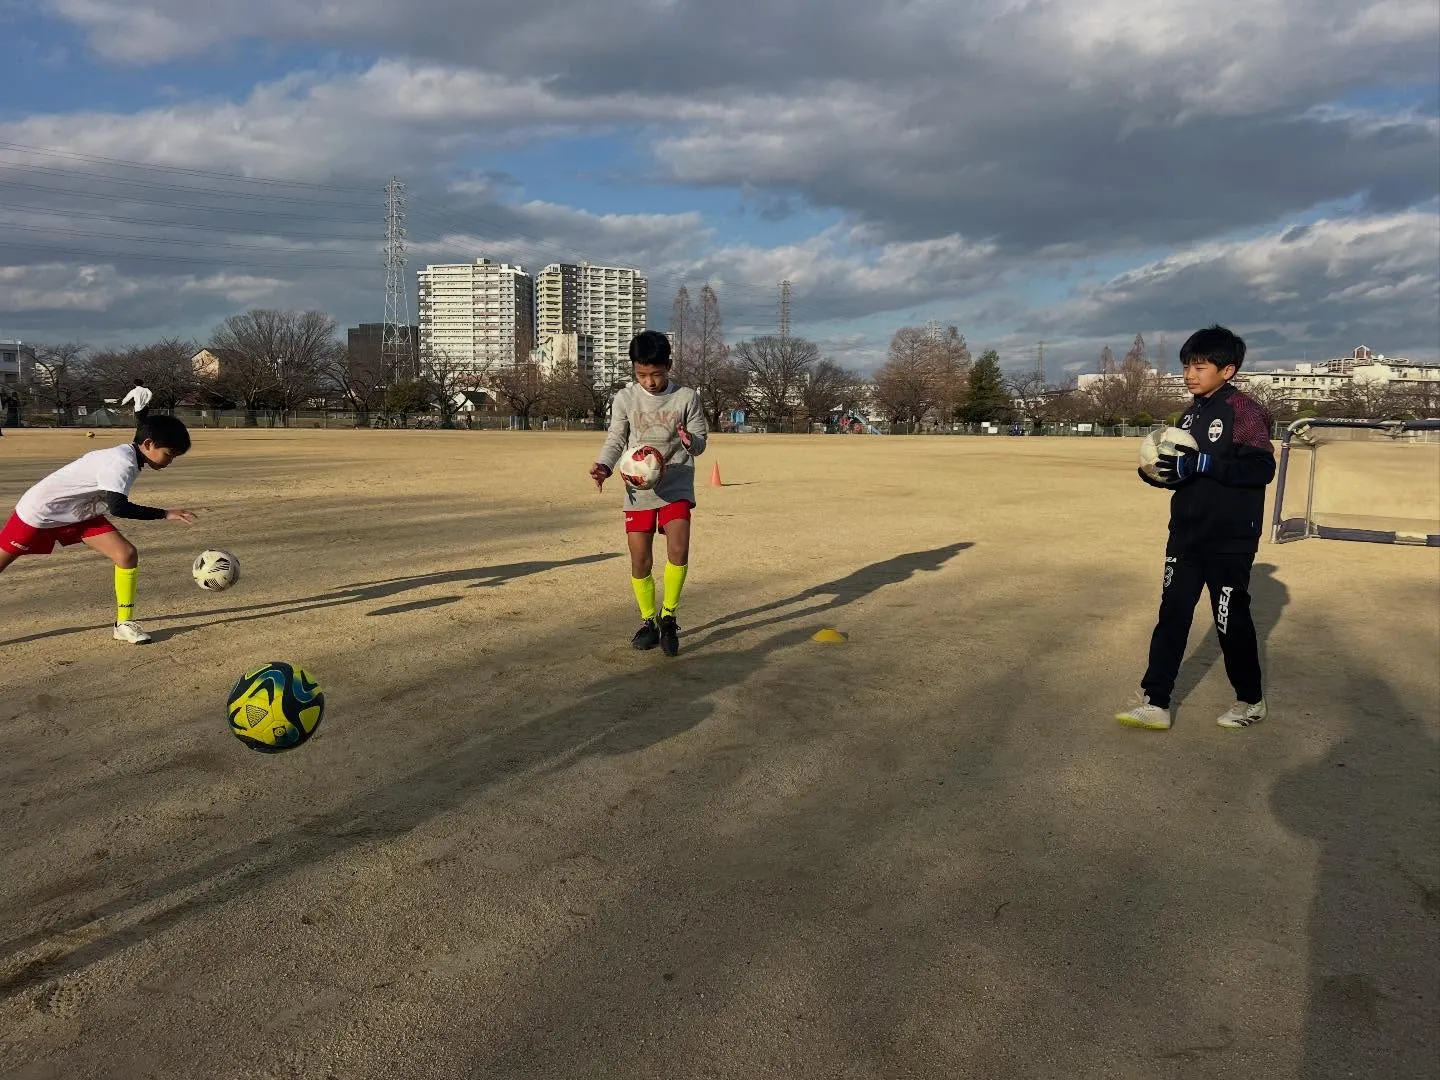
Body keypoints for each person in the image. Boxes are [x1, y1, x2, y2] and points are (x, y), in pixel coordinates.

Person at [1116, 325, 1276, 731]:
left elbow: (1262, 468)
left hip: (1229, 537)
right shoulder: (1190, 414)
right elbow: (1184, 471)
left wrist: (1205, 463)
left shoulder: (1245, 412)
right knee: (1172, 616)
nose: (1189, 374)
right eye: (1186, 365)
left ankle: (1249, 700)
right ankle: (1156, 701)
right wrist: (1158, 474)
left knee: (1229, 621)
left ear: (1228, 370)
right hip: (1186, 533)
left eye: (1199, 366)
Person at [0, 414, 197, 644]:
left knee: (126, 554)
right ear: (148, 444)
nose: (169, 461)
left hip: (79, 513)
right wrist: (164, 513)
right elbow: (119, 508)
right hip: (41, 513)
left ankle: (123, 624)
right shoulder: (121, 461)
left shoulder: (131, 457)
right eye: (169, 454)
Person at [589, 330, 709, 657]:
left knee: (679, 549)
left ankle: (669, 616)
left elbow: (700, 441)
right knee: (640, 559)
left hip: (677, 481)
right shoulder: (625, 399)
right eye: (642, 374)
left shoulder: (687, 398)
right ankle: (648, 621)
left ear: (668, 366)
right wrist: (604, 466)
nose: (650, 381)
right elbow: (616, 439)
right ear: (634, 369)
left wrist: (689, 441)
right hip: (638, 488)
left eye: (656, 373)